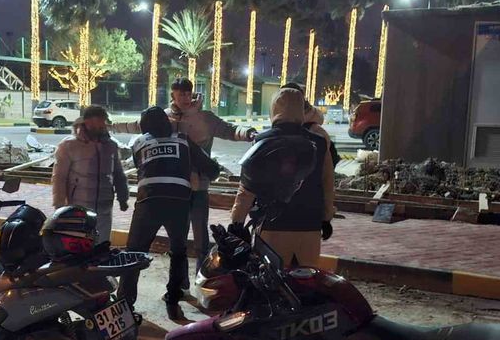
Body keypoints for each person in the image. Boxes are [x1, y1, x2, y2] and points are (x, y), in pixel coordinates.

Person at [111, 78, 255, 284]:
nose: (186, 98)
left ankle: (201, 280)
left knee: (201, 239)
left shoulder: (205, 118)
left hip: (198, 187)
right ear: (173, 96)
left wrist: (248, 133)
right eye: (181, 94)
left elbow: (229, 129)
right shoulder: (165, 117)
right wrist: (112, 126)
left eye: (188, 93)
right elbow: (137, 125)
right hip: (176, 189)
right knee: (179, 241)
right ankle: (181, 284)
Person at [120, 107, 221, 320]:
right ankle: (173, 300)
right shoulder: (183, 141)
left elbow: (142, 166)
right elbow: (212, 169)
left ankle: (124, 303)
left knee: (133, 253)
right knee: (178, 251)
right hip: (178, 203)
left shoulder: (139, 143)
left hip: (148, 202)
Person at [228, 87, 335, 267]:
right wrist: (326, 217)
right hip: (309, 224)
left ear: (274, 109)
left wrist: (236, 222)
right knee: (305, 279)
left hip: (271, 227)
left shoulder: (262, 141)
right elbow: (327, 183)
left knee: (272, 279)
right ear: (301, 109)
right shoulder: (319, 143)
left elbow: (247, 189)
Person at [51, 105, 128, 244]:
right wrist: (59, 206)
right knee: (80, 245)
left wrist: (123, 197)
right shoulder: (68, 146)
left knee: (102, 245)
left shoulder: (111, 146)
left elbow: (118, 174)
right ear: (86, 122)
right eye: (96, 124)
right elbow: (59, 178)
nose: (100, 127)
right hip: (78, 208)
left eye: (102, 124)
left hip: (104, 207)